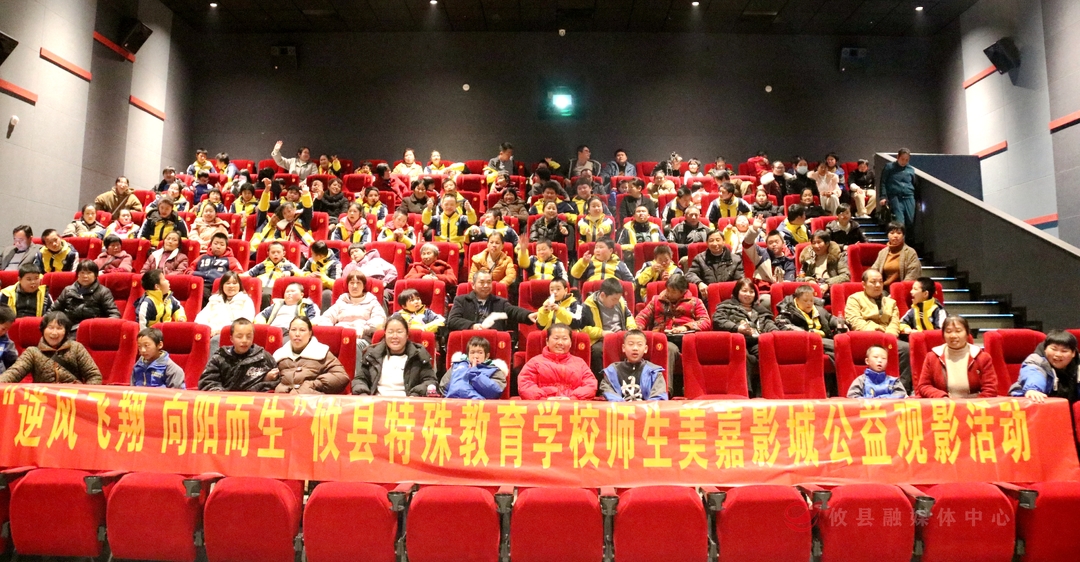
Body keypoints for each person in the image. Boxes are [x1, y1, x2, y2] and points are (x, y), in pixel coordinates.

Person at [844, 269, 912, 392]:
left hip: (888, 339)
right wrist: (878, 333)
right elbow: (855, 321)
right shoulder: (854, 299)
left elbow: (894, 323)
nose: (877, 285)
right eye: (873, 282)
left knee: (906, 349)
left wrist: (888, 337)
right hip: (865, 338)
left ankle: (901, 389)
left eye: (880, 282)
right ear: (864, 284)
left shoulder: (891, 302)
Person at [712, 278, 777, 396]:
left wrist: (774, 333)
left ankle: (768, 390)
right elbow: (718, 321)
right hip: (737, 342)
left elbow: (769, 324)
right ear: (737, 292)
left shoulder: (761, 310)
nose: (748, 294)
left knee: (769, 352)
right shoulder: (726, 306)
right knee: (742, 354)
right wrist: (737, 328)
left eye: (751, 292)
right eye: (744, 291)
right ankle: (746, 392)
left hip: (757, 341)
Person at [0, 311, 101, 384]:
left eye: (59, 328)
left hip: (72, 400)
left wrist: (84, 396)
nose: (54, 333)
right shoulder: (32, 352)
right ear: (43, 330)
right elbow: (14, 373)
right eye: (50, 327)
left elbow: (94, 375)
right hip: (44, 402)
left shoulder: (76, 348)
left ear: (66, 332)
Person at [353, 314, 438, 396]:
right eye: (390, 332)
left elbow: (430, 381)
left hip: (408, 402)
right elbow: (360, 380)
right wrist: (363, 394)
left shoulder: (418, 355)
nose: (394, 336)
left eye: (399, 332)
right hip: (377, 402)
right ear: (385, 334)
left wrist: (415, 395)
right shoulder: (372, 354)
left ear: (407, 335)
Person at [916, 316, 996, 398]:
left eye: (958, 331)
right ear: (943, 335)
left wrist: (974, 403)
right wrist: (942, 397)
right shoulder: (932, 357)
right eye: (948, 331)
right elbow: (924, 386)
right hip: (943, 404)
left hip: (975, 404)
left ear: (967, 333)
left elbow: (990, 389)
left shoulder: (982, 357)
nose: (953, 335)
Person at [267, 316, 348, 394]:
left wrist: (313, 385)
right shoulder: (279, 355)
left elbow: (341, 376)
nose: (297, 334)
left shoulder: (321, 352)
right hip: (282, 399)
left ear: (310, 333)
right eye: (293, 330)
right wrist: (267, 378)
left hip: (310, 400)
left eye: (302, 330)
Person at [518, 324, 598, 400]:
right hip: (542, 406)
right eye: (556, 338)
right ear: (547, 341)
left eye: (564, 339)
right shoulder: (535, 362)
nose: (560, 343)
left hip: (573, 405)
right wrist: (544, 399)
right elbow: (525, 384)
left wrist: (572, 398)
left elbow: (590, 385)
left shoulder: (580, 363)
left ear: (570, 343)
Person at [198, 318, 278, 391]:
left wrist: (264, 380)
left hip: (254, 400)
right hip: (225, 399)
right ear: (231, 339)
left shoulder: (263, 357)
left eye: (249, 337)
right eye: (239, 337)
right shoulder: (220, 358)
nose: (244, 340)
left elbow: (278, 381)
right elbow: (207, 382)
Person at [447, 270, 537, 332]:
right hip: (470, 342)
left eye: (489, 282)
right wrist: (472, 326)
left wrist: (528, 315)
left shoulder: (500, 302)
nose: (486, 285)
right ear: (473, 285)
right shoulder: (461, 300)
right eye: (482, 282)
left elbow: (514, 311)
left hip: (493, 341)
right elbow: (452, 320)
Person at [777, 284, 846, 365]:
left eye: (811, 300)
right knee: (838, 347)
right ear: (797, 300)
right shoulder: (788, 312)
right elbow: (783, 325)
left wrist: (841, 323)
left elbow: (831, 318)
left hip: (823, 339)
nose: (809, 303)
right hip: (805, 342)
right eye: (805, 301)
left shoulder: (819, 309)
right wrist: (807, 334)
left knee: (843, 344)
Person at [316, 270, 386, 342]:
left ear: (363, 286)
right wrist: (332, 332)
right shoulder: (341, 301)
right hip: (340, 336)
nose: (355, 286)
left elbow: (379, 319)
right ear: (348, 286)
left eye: (358, 283)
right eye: (352, 283)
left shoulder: (372, 301)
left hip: (361, 337)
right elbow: (326, 318)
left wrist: (364, 329)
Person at [1010, 330, 1079, 403]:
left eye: (1064, 351)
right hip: (1034, 401)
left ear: (1073, 353)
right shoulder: (1036, 360)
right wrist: (1033, 389)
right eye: (1054, 349)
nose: (1058, 354)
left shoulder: (1078, 364)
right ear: (1045, 349)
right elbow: (1033, 373)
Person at [600, 329, 668, 402]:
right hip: (620, 408)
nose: (635, 348)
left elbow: (659, 395)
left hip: (646, 408)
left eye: (639, 344)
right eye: (631, 344)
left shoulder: (654, 372)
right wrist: (622, 404)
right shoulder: (612, 371)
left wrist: (645, 406)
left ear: (645, 349)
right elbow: (607, 389)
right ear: (623, 348)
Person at [50, 260, 120, 329]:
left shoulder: (103, 292)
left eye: (89, 273)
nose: (85, 276)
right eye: (82, 273)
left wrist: (102, 327)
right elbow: (53, 311)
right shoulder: (68, 290)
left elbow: (114, 314)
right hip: (68, 329)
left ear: (96, 275)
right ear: (77, 275)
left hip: (91, 329)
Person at [195, 271, 256, 349]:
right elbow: (200, 318)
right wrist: (209, 330)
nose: (231, 286)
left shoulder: (246, 300)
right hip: (210, 333)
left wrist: (222, 331)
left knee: (215, 340)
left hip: (231, 334)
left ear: (239, 285)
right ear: (222, 286)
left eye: (234, 283)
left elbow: (245, 321)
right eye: (227, 283)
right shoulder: (214, 300)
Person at [441, 336, 509, 399]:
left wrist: (474, 372)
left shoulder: (494, 370)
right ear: (468, 355)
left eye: (480, 353)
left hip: (478, 404)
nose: (475, 356)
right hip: (453, 403)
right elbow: (443, 387)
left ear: (487, 356)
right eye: (472, 352)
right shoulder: (457, 365)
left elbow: (494, 392)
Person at [686, 229, 744, 297]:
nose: (715, 243)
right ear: (707, 243)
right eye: (711, 240)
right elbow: (690, 274)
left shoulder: (736, 259)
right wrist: (699, 283)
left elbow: (739, 280)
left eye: (718, 240)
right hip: (707, 295)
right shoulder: (699, 258)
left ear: (724, 242)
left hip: (730, 295)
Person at [190, 233, 243, 302]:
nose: (218, 247)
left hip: (217, 286)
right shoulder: (202, 257)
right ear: (210, 245)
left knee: (200, 293)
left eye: (222, 245)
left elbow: (239, 274)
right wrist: (194, 274)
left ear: (226, 247)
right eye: (215, 243)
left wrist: (223, 279)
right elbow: (189, 270)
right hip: (199, 283)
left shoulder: (231, 260)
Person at [245, 241, 300, 306]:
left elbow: (302, 275)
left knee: (265, 296)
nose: (275, 254)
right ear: (268, 253)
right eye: (273, 252)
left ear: (284, 253)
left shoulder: (288, 265)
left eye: (278, 252)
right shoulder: (262, 265)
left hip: (275, 290)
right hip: (259, 288)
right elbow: (247, 274)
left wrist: (291, 272)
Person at [797, 230, 850, 296]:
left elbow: (845, 276)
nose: (816, 246)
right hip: (811, 291)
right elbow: (800, 277)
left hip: (832, 290)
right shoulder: (808, 258)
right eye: (813, 243)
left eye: (819, 242)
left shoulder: (838, 256)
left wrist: (828, 284)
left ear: (827, 243)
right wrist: (809, 280)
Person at [871, 221, 922, 289]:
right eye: (892, 233)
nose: (895, 236)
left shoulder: (910, 252)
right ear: (887, 235)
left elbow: (912, 275)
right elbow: (874, 270)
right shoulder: (882, 252)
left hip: (903, 289)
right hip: (883, 288)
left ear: (903, 235)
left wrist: (898, 290)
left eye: (899, 233)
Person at [879, 148, 917, 231]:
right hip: (895, 197)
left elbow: (914, 184)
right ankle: (899, 238)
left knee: (910, 221)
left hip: (909, 197)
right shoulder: (889, 167)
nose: (904, 162)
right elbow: (883, 182)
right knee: (899, 221)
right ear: (898, 157)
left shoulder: (910, 169)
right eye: (902, 159)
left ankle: (907, 238)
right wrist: (883, 197)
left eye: (907, 160)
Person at [300, 241, 342, 310]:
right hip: (310, 286)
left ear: (320, 256)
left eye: (313, 254)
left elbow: (336, 284)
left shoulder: (335, 264)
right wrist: (309, 275)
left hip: (325, 289)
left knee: (327, 294)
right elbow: (302, 273)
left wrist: (322, 278)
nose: (311, 256)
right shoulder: (311, 260)